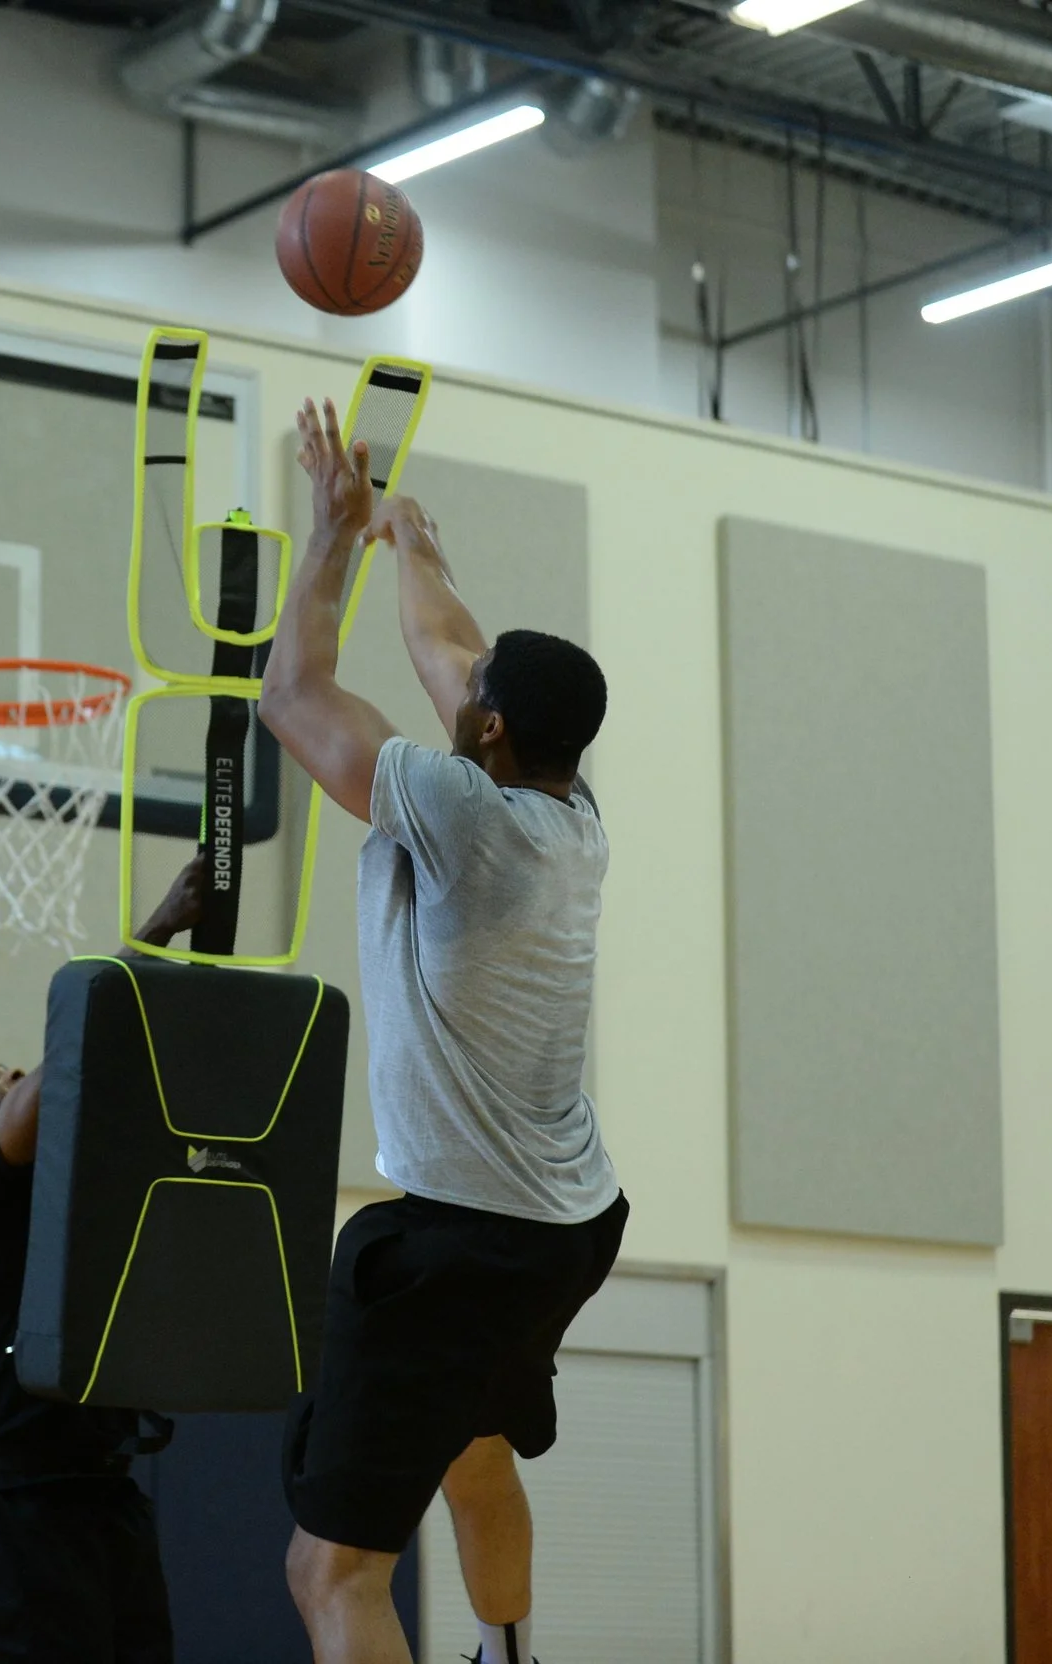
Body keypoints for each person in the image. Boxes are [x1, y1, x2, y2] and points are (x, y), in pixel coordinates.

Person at [259, 399, 627, 1664]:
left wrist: (328, 538)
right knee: (474, 1453)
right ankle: (505, 1652)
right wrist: (403, 533)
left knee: (330, 1568)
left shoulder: (457, 813)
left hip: (462, 1239)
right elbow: (449, 647)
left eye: (473, 697)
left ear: (488, 729)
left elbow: (294, 694)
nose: (457, 687)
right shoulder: (572, 814)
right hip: (568, 1222)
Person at [0, 856, 211, 1664]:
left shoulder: (78, 1193)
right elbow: (74, 1058)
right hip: (9, 1502)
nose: (10, 1073)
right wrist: (157, 929)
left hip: (102, 1494)